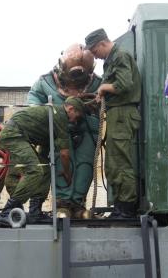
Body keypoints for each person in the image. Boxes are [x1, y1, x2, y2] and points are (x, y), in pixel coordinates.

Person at [27, 43, 102, 218]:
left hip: (88, 130)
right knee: (61, 163)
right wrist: (41, 112)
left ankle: (77, 203)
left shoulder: (98, 83)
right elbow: (34, 97)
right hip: (58, 130)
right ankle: (62, 203)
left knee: (85, 165)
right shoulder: (46, 81)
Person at [0, 96, 85, 221]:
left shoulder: (53, 117)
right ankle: (7, 211)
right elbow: (64, 154)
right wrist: (67, 173)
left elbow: (44, 149)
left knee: (45, 170)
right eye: (77, 116)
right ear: (70, 109)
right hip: (14, 134)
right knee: (34, 170)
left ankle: (35, 211)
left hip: (21, 136)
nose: (75, 121)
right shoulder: (60, 116)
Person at [84, 28, 142, 219]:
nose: (95, 57)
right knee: (112, 164)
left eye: (94, 52)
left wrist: (104, 87)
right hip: (117, 113)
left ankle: (126, 209)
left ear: (102, 44)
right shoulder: (111, 60)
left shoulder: (120, 56)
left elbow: (125, 84)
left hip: (123, 114)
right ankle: (119, 206)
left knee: (121, 163)